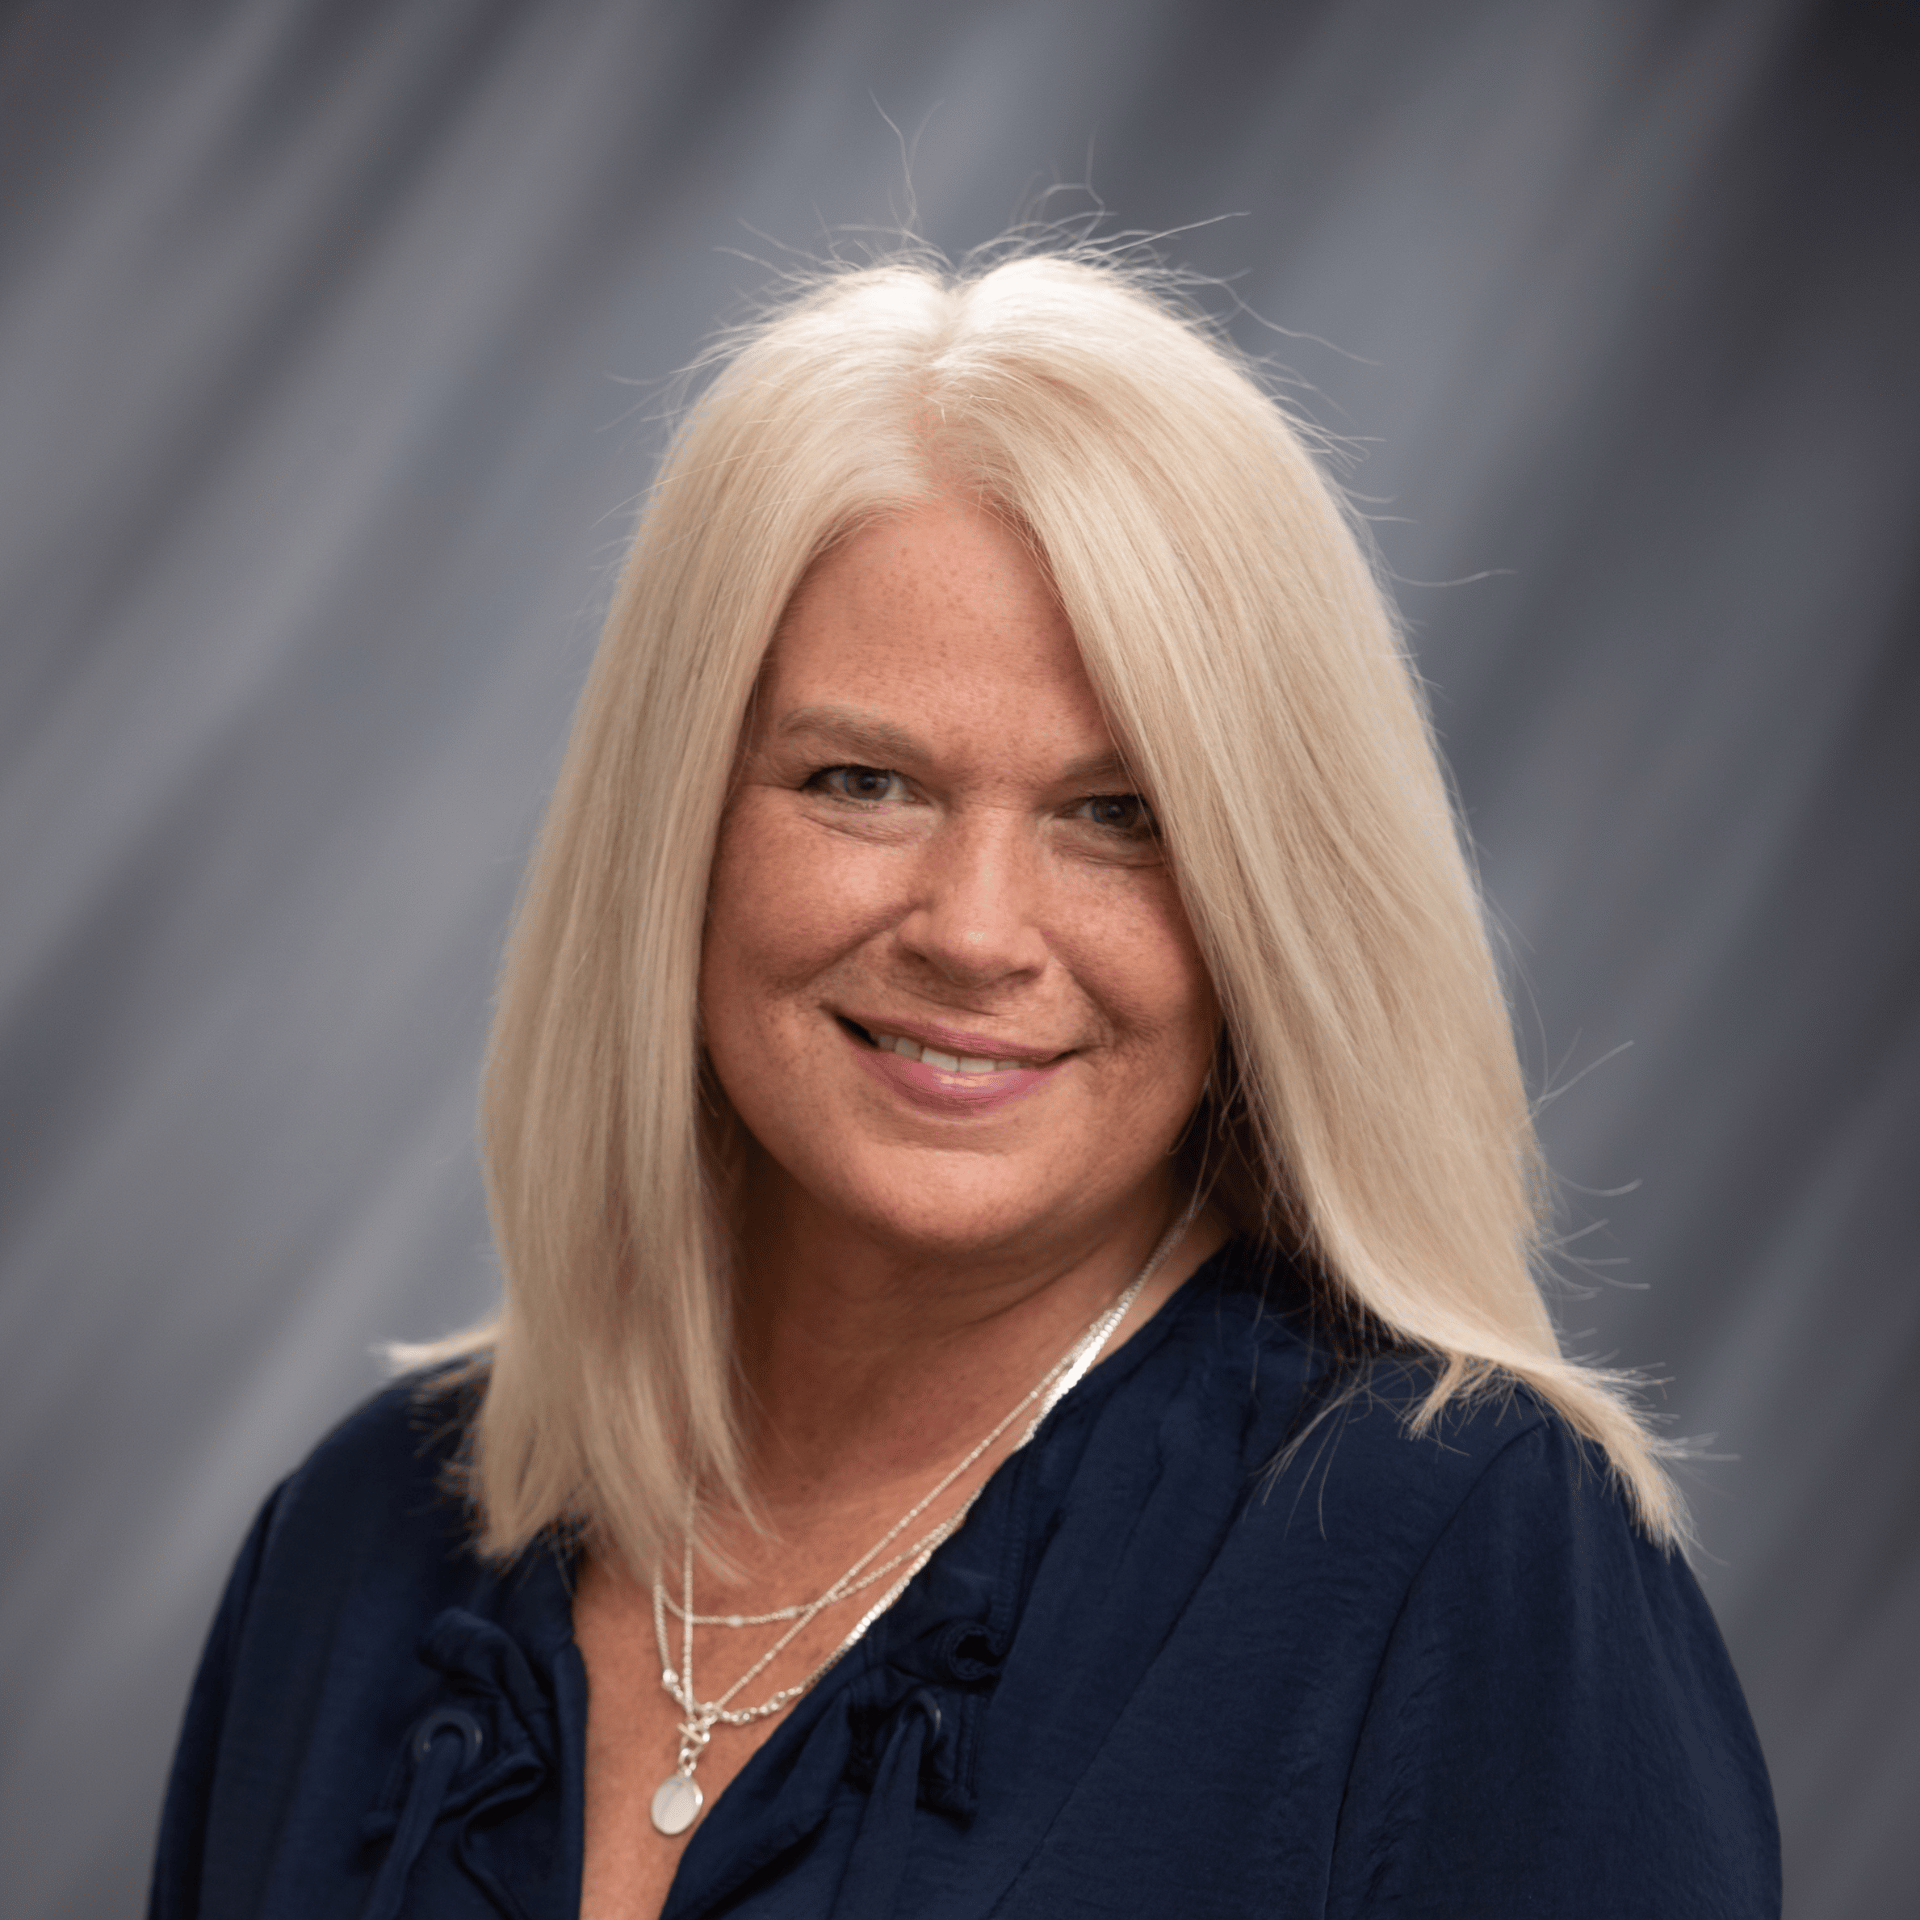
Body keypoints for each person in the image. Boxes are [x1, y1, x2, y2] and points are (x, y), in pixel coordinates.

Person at [149, 248, 1780, 1920]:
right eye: (862, 782)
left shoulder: (1467, 1566)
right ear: (678, 831)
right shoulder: (360, 1545)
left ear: (1266, 902)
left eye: (1118, 813)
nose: (977, 929)